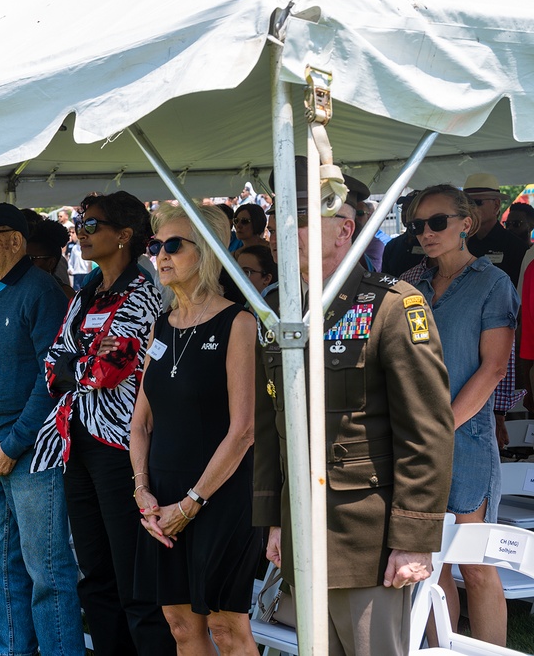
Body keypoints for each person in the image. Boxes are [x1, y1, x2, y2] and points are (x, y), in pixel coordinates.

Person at [253, 169, 455, 655]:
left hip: (369, 542)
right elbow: (273, 424)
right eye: (276, 217)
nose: (279, 230)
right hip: (304, 530)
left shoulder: (392, 306)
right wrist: (275, 518)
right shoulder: (281, 308)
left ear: (345, 229)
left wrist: (413, 539)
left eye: (298, 218)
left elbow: (426, 430)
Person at [31, 192, 174, 655]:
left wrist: (80, 363)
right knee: (95, 573)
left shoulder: (143, 293)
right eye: (79, 222)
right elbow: (52, 367)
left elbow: (108, 371)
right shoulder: (86, 290)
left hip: (122, 447)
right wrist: (84, 361)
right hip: (77, 442)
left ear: (124, 235)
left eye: (91, 224)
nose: (80, 231)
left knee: (133, 576)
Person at [129, 203, 260, 655]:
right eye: (155, 246)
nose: (160, 256)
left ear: (206, 253)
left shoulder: (238, 323)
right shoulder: (162, 328)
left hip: (220, 494)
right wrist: (142, 491)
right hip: (162, 496)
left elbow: (244, 430)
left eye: (173, 245)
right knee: (180, 624)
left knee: (227, 628)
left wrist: (192, 502)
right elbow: (140, 422)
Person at [0, 203, 83, 656]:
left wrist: (10, 444)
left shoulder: (41, 292)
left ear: (16, 241)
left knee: (46, 569)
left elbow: (51, 377)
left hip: (29, 452)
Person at [404, 184, 515, 647]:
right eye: (417, 225)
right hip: (415, 439)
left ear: (465, 224)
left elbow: (492, 368)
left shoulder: (493, 283)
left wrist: (440, 427)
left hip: (464, 441)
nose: (426, 232)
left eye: (437, 222)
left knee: (476, 563)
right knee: (432, 562)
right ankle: (444, 648)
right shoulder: (410, 283)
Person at [463, 173, 526, 286]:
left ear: (496, 206)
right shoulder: (461, 243)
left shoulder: (516, 247)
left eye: (476, 203)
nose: (470, 209)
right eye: (466, 203)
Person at [26, 219, 76, 299]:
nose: (25, 263)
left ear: (51, 263)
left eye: (32, 258)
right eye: (24, 258)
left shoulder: (63, 294)